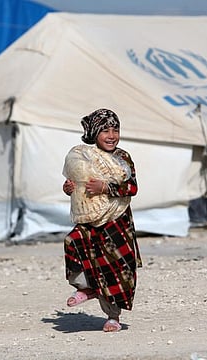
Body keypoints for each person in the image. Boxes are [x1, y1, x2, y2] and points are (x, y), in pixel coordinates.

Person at [62, 108, 142, 332]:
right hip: (90, 220)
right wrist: (69, 188)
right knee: (73, 242)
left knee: (115, 268)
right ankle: (87, 287)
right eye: (105, 130)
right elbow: (78, 184)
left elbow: (132, 187)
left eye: (115, 129)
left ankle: (113, 317)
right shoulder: (83, 157)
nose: (111, 135)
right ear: (94, 133)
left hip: (117, 221)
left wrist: (105, 187)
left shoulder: (122, 158)